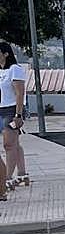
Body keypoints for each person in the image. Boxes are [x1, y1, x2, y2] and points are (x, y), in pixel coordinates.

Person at [0, 41, 29, 199]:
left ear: (5, 53)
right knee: (14, 143)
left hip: (11, 110)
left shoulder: (14, 70)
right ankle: (22, 174)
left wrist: (18, 115)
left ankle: (7, 178)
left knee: (9, 145)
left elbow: (19, 93)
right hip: (0, 109)